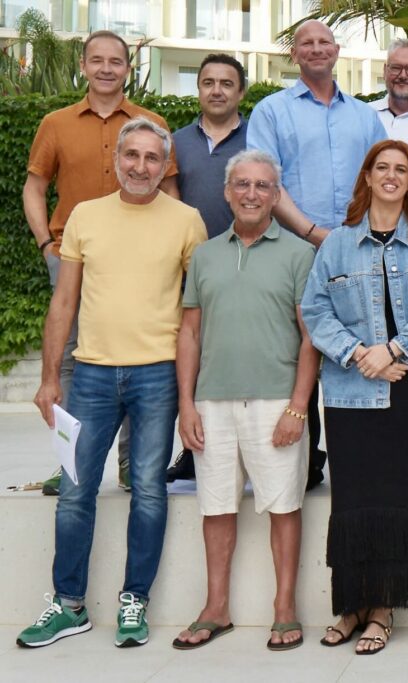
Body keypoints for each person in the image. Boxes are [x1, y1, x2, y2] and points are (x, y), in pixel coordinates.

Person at [18, 117, 206, 650]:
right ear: (117, 159)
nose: (140, 166)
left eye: (152, 158)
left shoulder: (187, 221)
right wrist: (49, 378)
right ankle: (68, 605)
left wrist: (192, 392)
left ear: (164, 165)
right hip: (92, 376)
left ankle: (134, 600)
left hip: (158, 375)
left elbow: (197, 312)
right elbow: (64, 301)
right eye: (132, 155)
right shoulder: (85, 215)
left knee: (147, 490)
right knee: (75, 490)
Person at [301, 140, 408, 654]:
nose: (391, 176)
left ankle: (384, 607)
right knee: (350, 501)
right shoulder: (337, 243)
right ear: (367, 177)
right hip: (348, 392)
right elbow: (314, 310)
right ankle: (351, 606)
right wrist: (357, 354)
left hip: (402, 388)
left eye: (402, 170)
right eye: (382, 168)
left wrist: (392, 349)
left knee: (394, 499)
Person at [24, 30, 180, 495]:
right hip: (71, 256)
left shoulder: (151, 123)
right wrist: (44, 244)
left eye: (116, 61)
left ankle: (133, 463)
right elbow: (35, 187)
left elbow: (170, 192)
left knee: (140, 355)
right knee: (68, 359)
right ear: (84, 65)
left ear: (128, 68)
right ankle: (69, 461)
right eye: (98, 60)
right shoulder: (56, 123)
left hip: (140, 260)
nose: (107, 68)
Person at [172, 150, 317, 652]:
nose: (251, 194)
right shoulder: (204, 255)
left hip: (276, 402)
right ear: (227, 192)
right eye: (242, 184)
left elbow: (311, 338)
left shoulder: (299, 254)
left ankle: (285, 609)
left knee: (284, 506)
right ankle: (216, 608)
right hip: (211, 403)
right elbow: (189, 333)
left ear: (276, 196)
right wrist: (186, 404)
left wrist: (298, 407)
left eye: (262, 186)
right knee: (215, 507)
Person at [248, 19, 387, 490]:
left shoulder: (364, 116)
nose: (316, 48)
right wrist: (312, 232)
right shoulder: (271, 111)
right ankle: (303, 465)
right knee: (296, 351)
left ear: (337, 50)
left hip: (357, 252)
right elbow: (266, 182)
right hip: (293, 248)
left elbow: (384, 176)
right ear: (294, 54)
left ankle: (358, 462)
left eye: (324, 41)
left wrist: (353, 236)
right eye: (305, 43)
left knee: (359, 349)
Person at [167, 52, 250, 484]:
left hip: (248, 265)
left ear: (241, 92)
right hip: (192, 270)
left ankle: (249, 451)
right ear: (198, 88)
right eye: (208, 82)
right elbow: (168, 204)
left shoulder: (258, 139)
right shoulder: (176, 142)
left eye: (226, 83)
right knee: (194, 358)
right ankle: (192, 449)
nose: (217, 90)